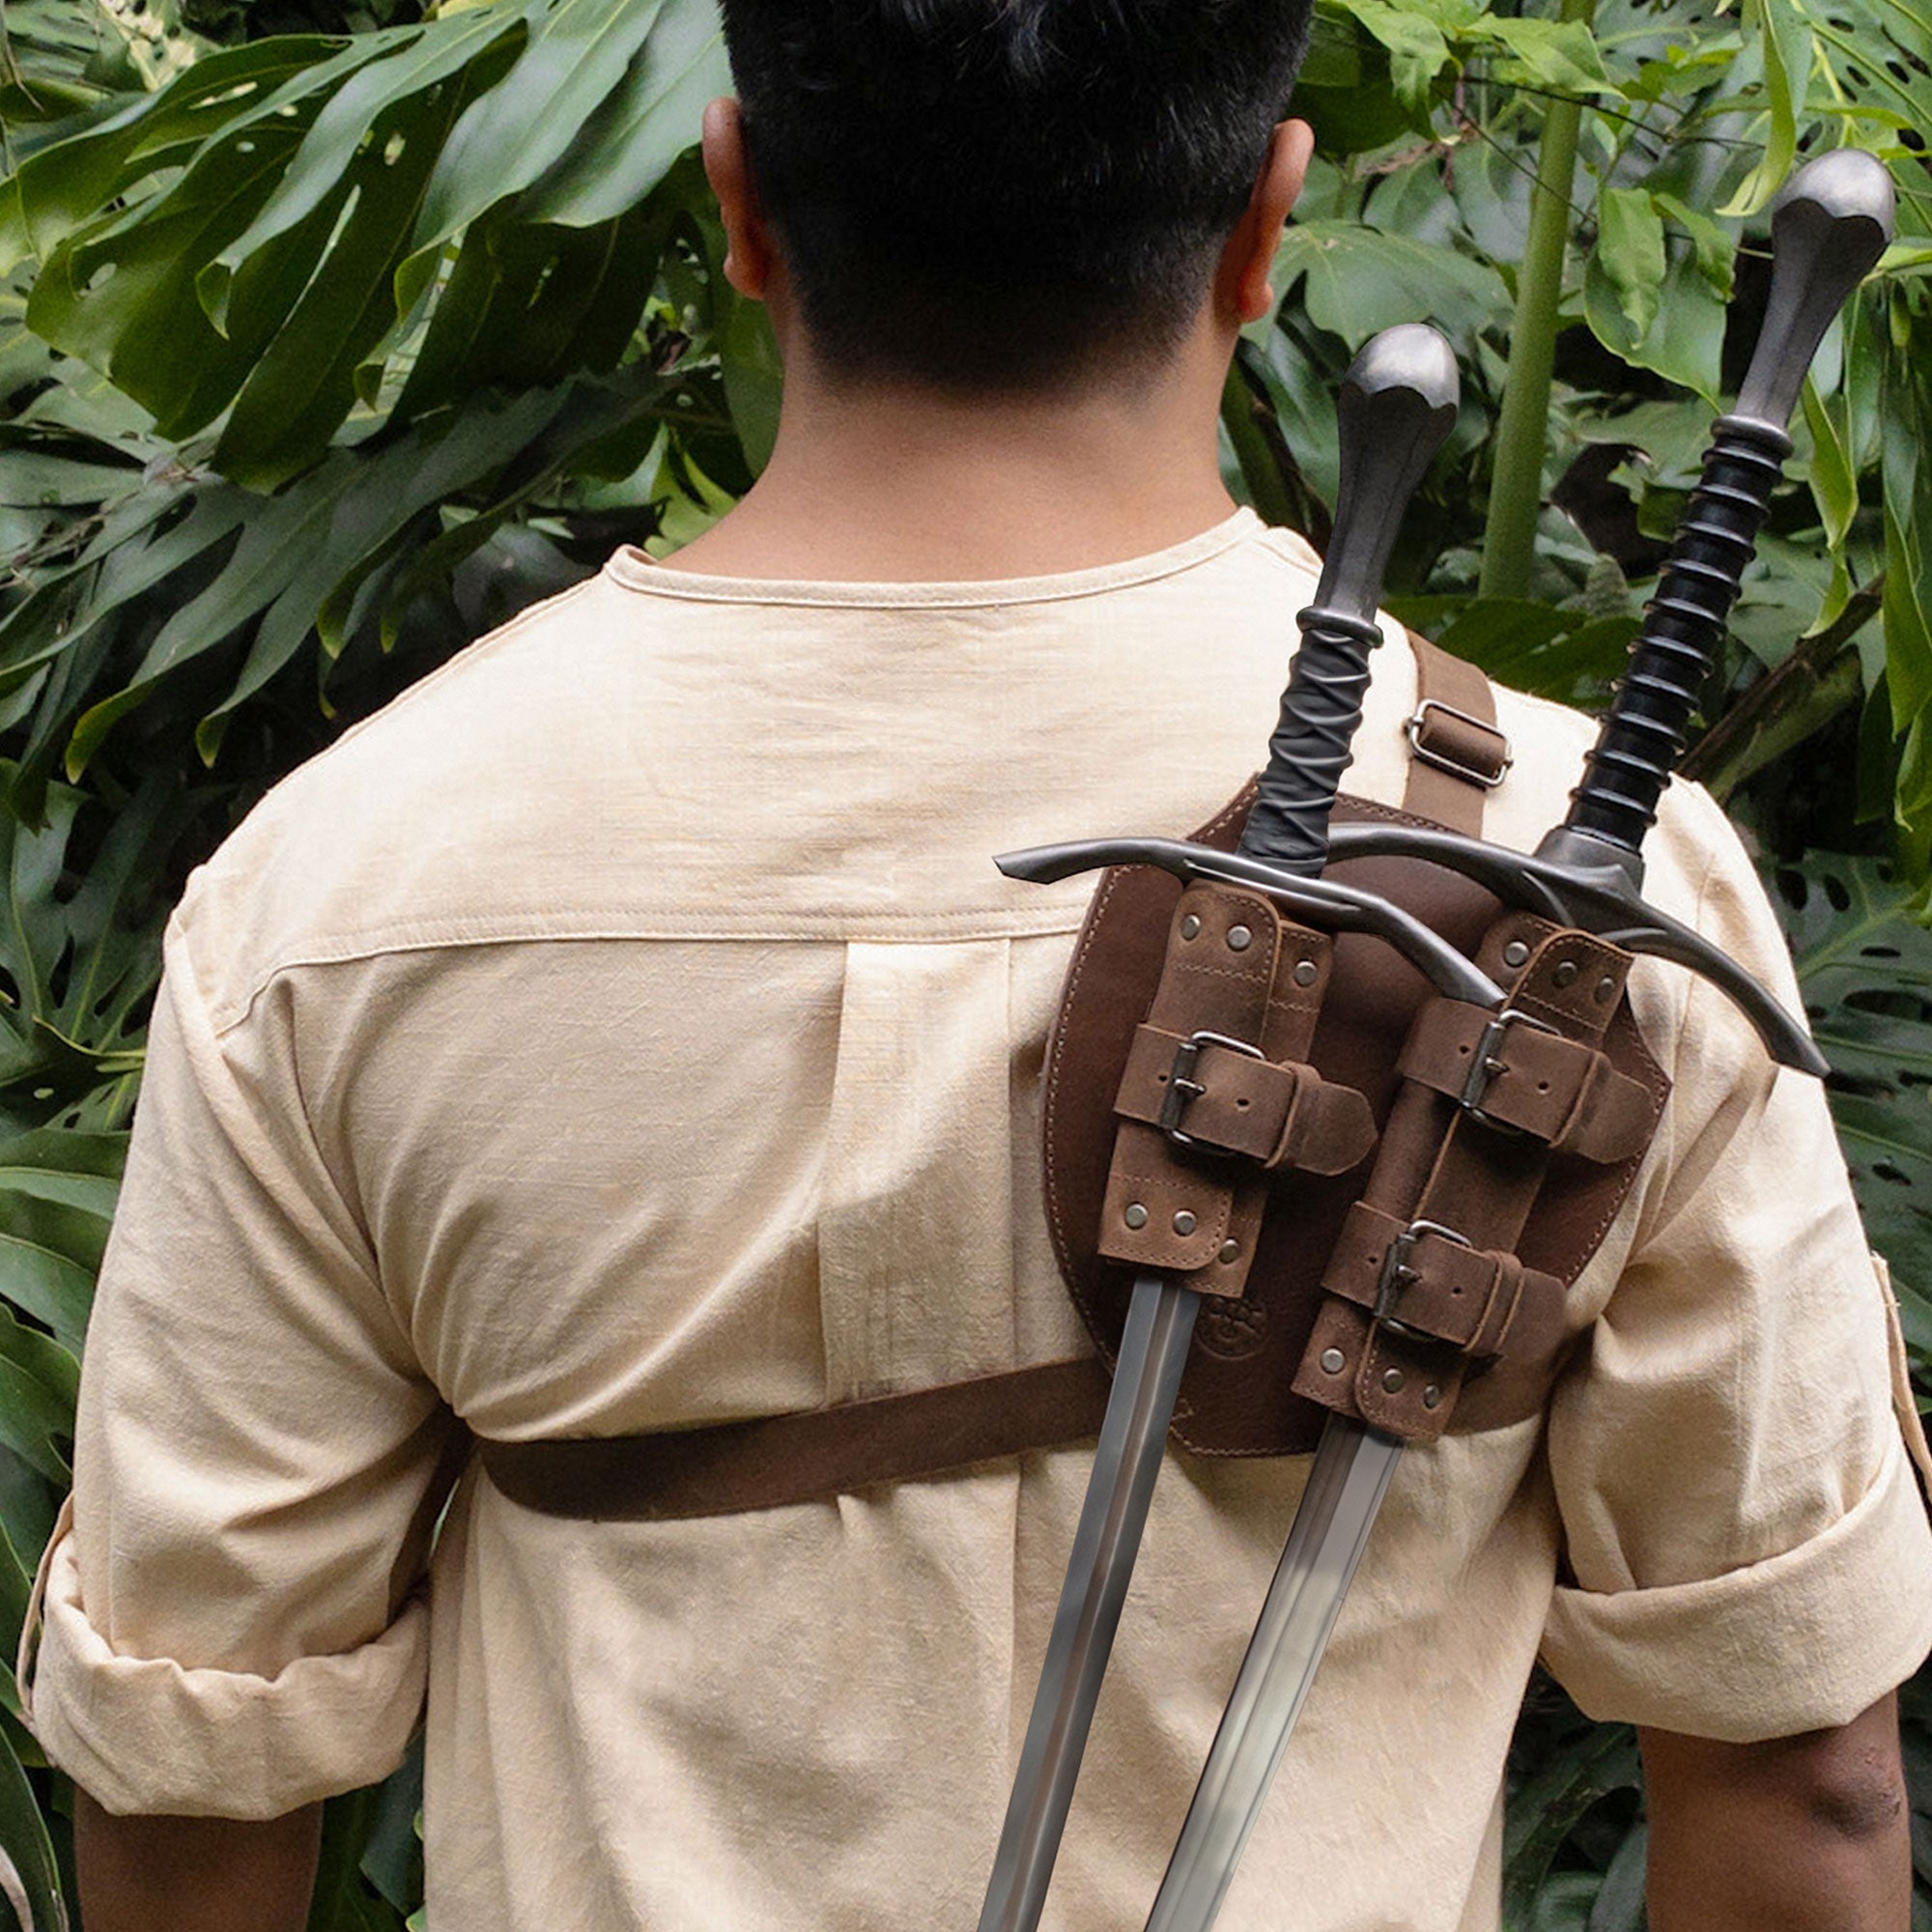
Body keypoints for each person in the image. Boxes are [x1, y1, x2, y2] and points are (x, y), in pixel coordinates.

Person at [21, 4, 1932, 1928]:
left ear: (737, 198)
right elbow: (1804, 1785)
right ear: (1267, 224)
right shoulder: (1607, 894)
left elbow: (192, 1789)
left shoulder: (344, 896)